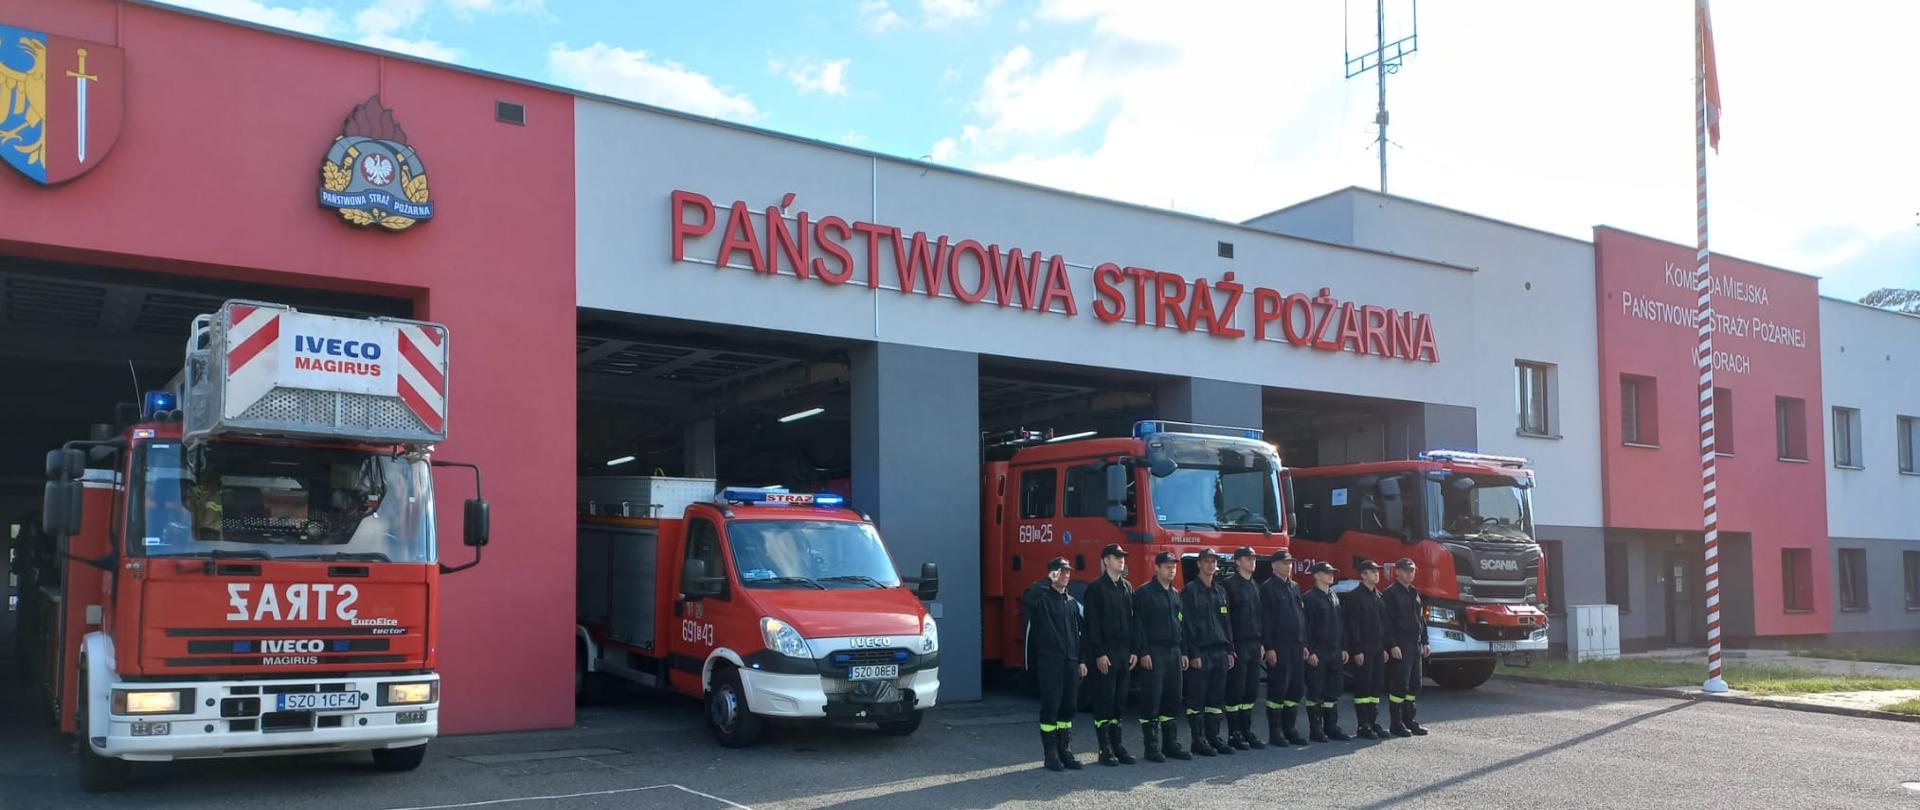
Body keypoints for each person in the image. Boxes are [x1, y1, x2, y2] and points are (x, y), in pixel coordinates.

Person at [1023, 556, 1087, 771]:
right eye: (1061, 571)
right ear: (1052, 573)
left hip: (1071, 662)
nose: (1066, 575)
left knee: (1068, 708)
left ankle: (1064, 751)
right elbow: (1028, 597)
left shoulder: (1071, 602)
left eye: (1068, 572)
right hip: (1050, 661)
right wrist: (1046, 580)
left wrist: (1081, 660)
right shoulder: (1041, 600)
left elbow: (1078, 635)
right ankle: (1050, 755)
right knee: (1051, 707)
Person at [1081, 543, 1137, 766]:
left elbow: (1133, 621)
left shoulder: (1127, 587)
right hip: (1106, 653)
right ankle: (1104, 748)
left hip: (1124, 653)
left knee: (1120, 701)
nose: (1122, 560)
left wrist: (1134, 650)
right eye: (1117, 557)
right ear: (1106, 561)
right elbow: (1091, 624)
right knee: (1105, 700)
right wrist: (1099, 653)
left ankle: (1117, 745)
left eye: (1123, 557)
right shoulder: (1095, 588)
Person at [1131, 551, 1190, 762]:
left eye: (1173, 566)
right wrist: (1143, 651)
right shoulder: (1144, 593)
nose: (1171, 570)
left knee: (1173, 698)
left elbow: (1181, 624)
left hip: (1174, 651)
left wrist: (1183, 651)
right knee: (1152, 699)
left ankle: (1170, 744)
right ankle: (1152, 747)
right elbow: (1138, 624)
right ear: (1156, 568)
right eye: (1167, 566)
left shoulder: (1175, 593)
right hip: (1154, 652)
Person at [1180, 548, 1233, 757]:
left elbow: (1226, 622)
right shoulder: (1190, 591)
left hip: (1220, 651)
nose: (1211, 565)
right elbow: (1186, 624)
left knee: (1216, 700)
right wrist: (1192, 653)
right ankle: (1198, 740)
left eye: (1213, 561)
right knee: (1197, 699)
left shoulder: (1220, 591)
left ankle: (1214, 737)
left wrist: (1230, 649)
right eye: (1207, 561)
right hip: (1201, 653)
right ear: (1199, 564)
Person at [1259, 548, 1309, 746]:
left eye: (1290, 563)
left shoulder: (1294, 586)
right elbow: (1265, 620)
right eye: (1284, 563)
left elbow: (1301, 616)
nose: (1289, 566)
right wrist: (1269, 647)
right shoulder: (1268, 588)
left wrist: (1304, 643)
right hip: (1279, 646)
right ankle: (1276, 732)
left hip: (1297, 645)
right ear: (1274, 565)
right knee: (1278, 689)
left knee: (1295, 688)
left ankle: (1290, 729)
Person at [1221, 546, 1265, 750]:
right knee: (1236, 690)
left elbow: (1260, 617)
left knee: (1251, 690)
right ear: (1237, 562)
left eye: (1254, 558)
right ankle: (1234, 733)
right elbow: (1226, 620)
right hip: (1238, 644)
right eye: (1248, 558)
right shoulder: (1228, 586)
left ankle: (1246, 730)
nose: (1252, 561)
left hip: (1254, 644)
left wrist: (1262, 643)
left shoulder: (1256, 586)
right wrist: (1230, 647)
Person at [1341, 559, 1390, 740]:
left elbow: (1383, 625)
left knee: (1376, 686)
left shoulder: (1379, 596)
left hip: (1377, 648)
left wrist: (1384, 648)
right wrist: (1357, 650)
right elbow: (1352, 625)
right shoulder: (1355, 596)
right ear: (1363, 575)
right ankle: (1363, 725)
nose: (1377, 574)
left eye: (1377, 571)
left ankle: (1373, 721)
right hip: (1363, 648)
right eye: (1372, 571)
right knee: (1363, 686)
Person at [1301, 561, 1349, 742]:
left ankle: (1331, 727)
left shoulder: (1333, 595)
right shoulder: (1309, 598)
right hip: (1318, 651)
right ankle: (1316, 729)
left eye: (1332, 572)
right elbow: (1306, 626)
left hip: (1334, 650)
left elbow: (1341, 624)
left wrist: (1344, 647)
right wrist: (1310, 650)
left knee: (1332, 690)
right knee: (1315, 691)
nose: (1331, 575)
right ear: (1317, 575)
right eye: (1327, 572)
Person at [1383, 556, 1430, 737]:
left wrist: (1425, 641)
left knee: (1414, 685)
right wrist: (1392, 644)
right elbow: (1387, 622)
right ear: (1397, 572)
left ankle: (1409, 720)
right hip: (1400, 645)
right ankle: (1396, 723)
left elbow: (1421, 620)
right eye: (1406, 570)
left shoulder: (1414, 592)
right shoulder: (1391, 593)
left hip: (1414, 645)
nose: (1410, 574)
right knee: (1399, 685)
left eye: (1412, 570)